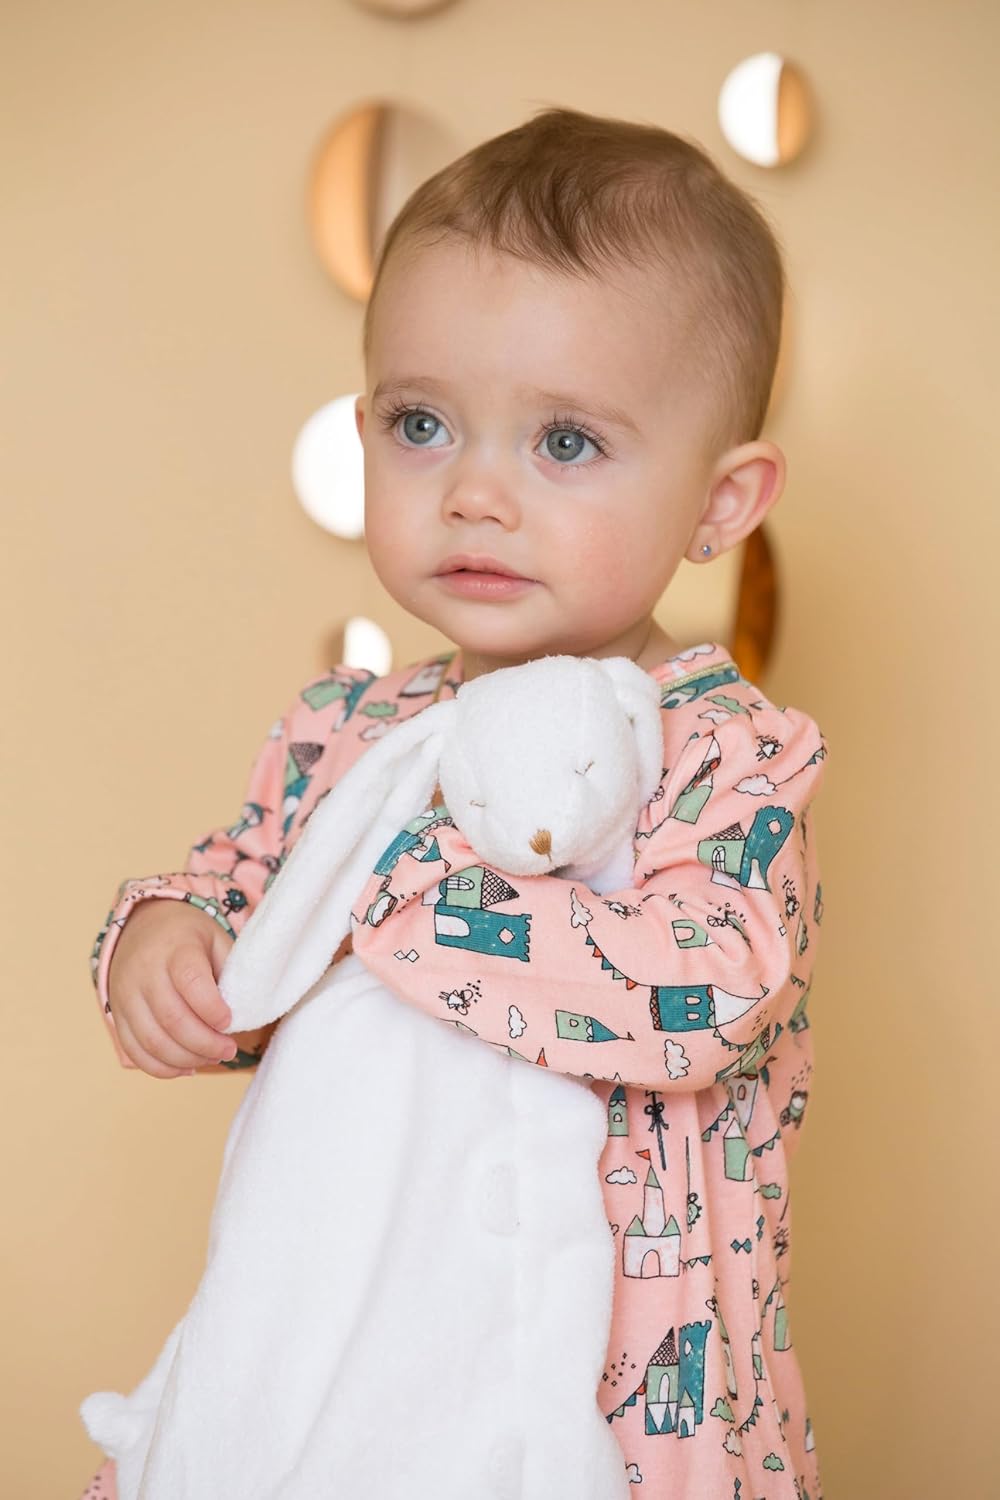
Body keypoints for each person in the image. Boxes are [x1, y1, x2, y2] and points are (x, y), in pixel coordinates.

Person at [78, 106, 829, 1499]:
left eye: (566, 443)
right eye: (420, 424)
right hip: (359, 1337)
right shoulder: (350, 727)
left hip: (618, 1395)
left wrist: (419, 900)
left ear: (722, 505)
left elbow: (712, 994)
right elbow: (247, 891)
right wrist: (165, 938)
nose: (475, 493)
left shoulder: (725, 754)